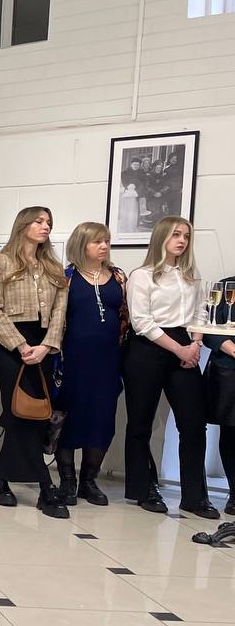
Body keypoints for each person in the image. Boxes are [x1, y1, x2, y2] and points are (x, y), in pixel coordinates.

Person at [122, 215, 216, 518]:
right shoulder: (142, 275)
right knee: (141, 422)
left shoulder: (190, 275)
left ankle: (194, 497)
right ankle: (143, 489)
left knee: (193, 423)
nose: (182, 241)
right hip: (148, 347)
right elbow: (141, 321)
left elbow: (200, 312)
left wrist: (195, 346)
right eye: (176, 234)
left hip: (185, 343)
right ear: (161, 237)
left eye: (186, 236)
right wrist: (179, 350)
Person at [0, 206, 70, 519]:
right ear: (23, 225)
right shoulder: (2, 262)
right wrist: (20, 345)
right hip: (11, 347)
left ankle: (1, 478)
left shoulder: (54, 267)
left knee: (37, 414)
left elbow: (60, 312)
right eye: (39, 221)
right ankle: (45, 486)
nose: (45, 226)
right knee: (18, 412)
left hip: (43, 347)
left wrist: (47, 346)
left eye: (49, 222)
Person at [53, 222, 128, 506]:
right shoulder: (66, 277)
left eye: (106, 240)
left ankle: (89, 480)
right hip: (72, 360)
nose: (104, 246)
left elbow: (126, 317)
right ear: (81, 244)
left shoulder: (118, 276)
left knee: (102, 419)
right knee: (68, 418)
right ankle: (67, 479)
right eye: (97, 241)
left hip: (108, 361)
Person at [203, 273, 235, 517]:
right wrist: (232, 349)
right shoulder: (226, 286)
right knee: (232, 432)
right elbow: (209, 329)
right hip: (229, 371)